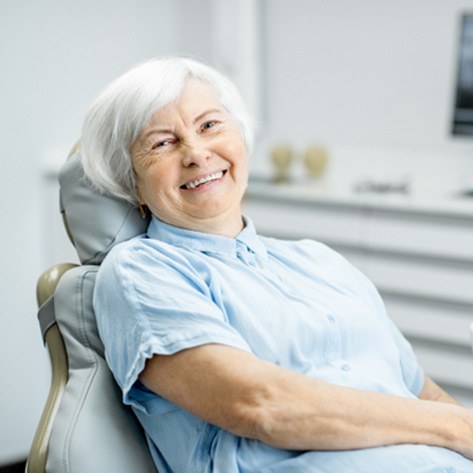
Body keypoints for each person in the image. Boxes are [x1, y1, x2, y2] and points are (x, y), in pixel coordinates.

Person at [81, 57, 473, 473]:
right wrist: (456, 426)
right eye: (162, 143)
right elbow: (262, 405)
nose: (197, 153)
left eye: (210, 125)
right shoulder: (142, 271)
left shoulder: (320, 261)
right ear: (132, 184)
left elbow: (421, 393)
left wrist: (457, 427)